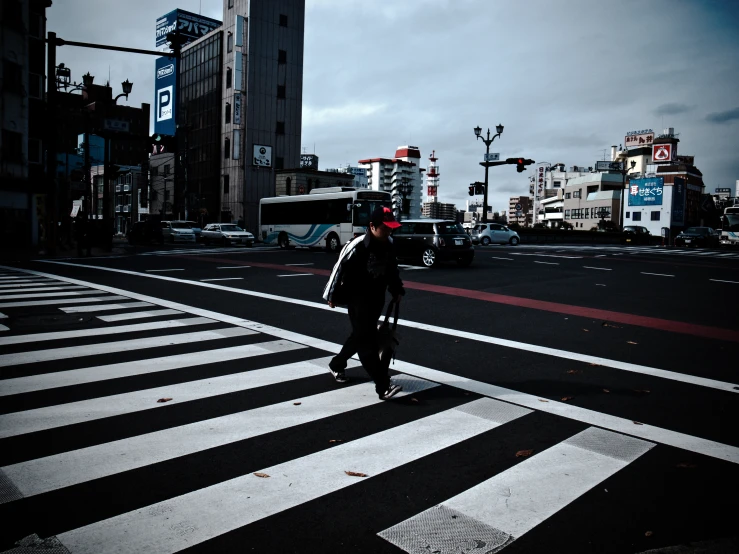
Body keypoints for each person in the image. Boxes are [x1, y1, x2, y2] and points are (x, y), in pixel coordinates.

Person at [323, 206, 405, 400]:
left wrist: (397, 289)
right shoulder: (357, 245)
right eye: (384, 227)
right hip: (357, 298)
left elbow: (392, 270)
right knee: (366, 342)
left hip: (377, 298)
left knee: (360, 335)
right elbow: (338, 268)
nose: (388, 231)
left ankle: (336, 365)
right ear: (372, 226)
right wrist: (330, 294)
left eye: (391, 227)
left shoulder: (390, 244)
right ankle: (383, 386)